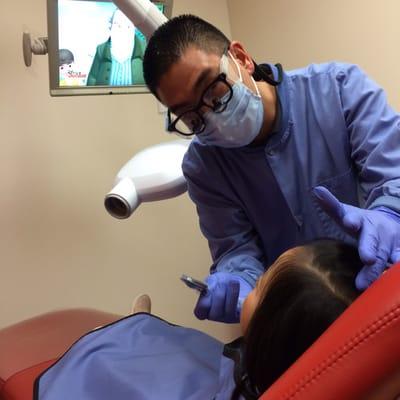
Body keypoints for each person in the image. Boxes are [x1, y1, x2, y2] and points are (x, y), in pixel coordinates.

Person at [142, 14, 400, 323]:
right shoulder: (203, 167)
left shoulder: (339, 89)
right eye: (191, 116)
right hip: (303, 318)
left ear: (241, 58)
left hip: (382, 286)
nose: (210, 116)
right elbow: (236, 249)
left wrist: (389, 213)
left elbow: (393, 174)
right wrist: (238, 281)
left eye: (212, 90)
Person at [34, 240, 365, 400]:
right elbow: (233, 239)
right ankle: (133, 326)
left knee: (110, 360)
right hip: (236, 375)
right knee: (182, 346)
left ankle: (108, 336)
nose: (254, 285)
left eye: (260, 285)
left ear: (270, 333)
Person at [87, 9, 146, 86]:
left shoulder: (145, 49)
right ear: (110, 27)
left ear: (134, 28)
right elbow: (92, 78)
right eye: (117, 25)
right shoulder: (101, 50)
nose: (122, 30)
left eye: (128, 26)